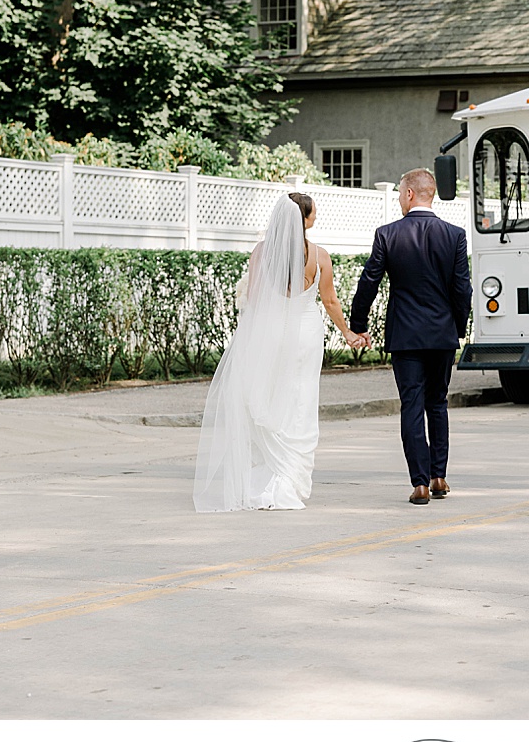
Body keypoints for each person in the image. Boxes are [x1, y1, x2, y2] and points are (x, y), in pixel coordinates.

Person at [194, 193, 365, 512]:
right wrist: (348, 332)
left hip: (272, 331)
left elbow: (256, 296)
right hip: (305, 334)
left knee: (270, 394)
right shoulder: (319, 255)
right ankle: (290, 480)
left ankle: (269, 472)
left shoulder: (262, 252)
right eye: (314, 214)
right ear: (302, 219)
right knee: (300, 398)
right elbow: (329, 301)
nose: (317, 218)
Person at [349, 168, 473, 505]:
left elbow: (369, 282)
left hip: (405, 335)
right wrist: (457, 328)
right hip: (442, 334)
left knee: (412, 406)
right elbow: (462, 289)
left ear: (408, 194)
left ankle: (419, 483)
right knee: (438, 404)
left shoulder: (388, 234)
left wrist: (358, 324)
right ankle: (440, 476)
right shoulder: (455, 235)